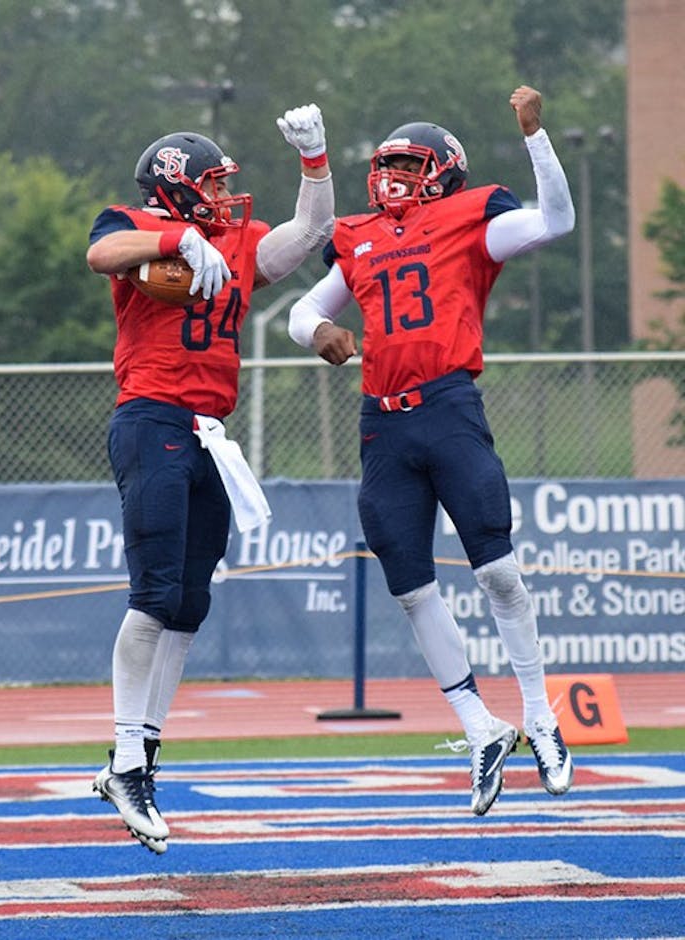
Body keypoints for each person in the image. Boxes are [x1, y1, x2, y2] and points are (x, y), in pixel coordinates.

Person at [288, 86, 575, 816]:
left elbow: (557, 220)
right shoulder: (356, 235)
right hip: (382, 424)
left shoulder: (469, 215)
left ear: (443, 172)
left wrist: (537, 136)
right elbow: (303, 307)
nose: (393, 179)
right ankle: (482, 729)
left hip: (448, 408)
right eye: (388, 165)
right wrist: (315, 333)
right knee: (410, 586)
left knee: (499, 572)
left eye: (410, 166)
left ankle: (540, 716)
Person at [86, 104, 334, 851]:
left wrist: (316, 162)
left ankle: (143, 753)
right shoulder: (134, 224)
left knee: (190, 604)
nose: (224, 198)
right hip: (152, 418)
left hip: (209, 435)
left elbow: (309, 235)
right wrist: (174, 237)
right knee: (155, 593)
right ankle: (125, 758)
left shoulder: (236, 239)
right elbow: (102, 254)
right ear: (177, 189)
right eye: (213, 186)